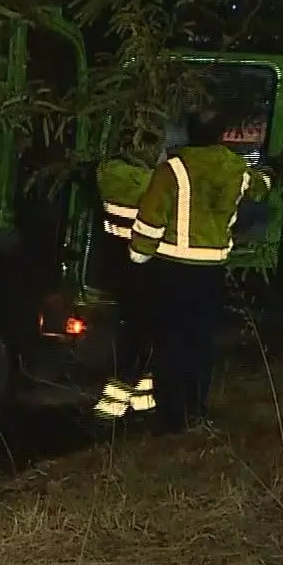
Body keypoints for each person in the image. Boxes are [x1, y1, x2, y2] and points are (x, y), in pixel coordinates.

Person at [128, 108, 274, 432]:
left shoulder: (172, 169)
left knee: (169, 342)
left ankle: (171, 417)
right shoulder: (236, 168)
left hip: (171, 270)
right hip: (211, 271)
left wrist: (138, 258)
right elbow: (260, 186)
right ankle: (196, 412)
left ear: (189, 133)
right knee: (200, 343)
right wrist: (270, 171)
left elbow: (151, 219)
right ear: (221, 134)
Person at [91, 135, 159, 419]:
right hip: (141, 265)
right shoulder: (148, 182)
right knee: (141, 336)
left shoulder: (107, 172)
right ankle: (112, 409)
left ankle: (141, 404)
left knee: (136, 332)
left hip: (116, 264)